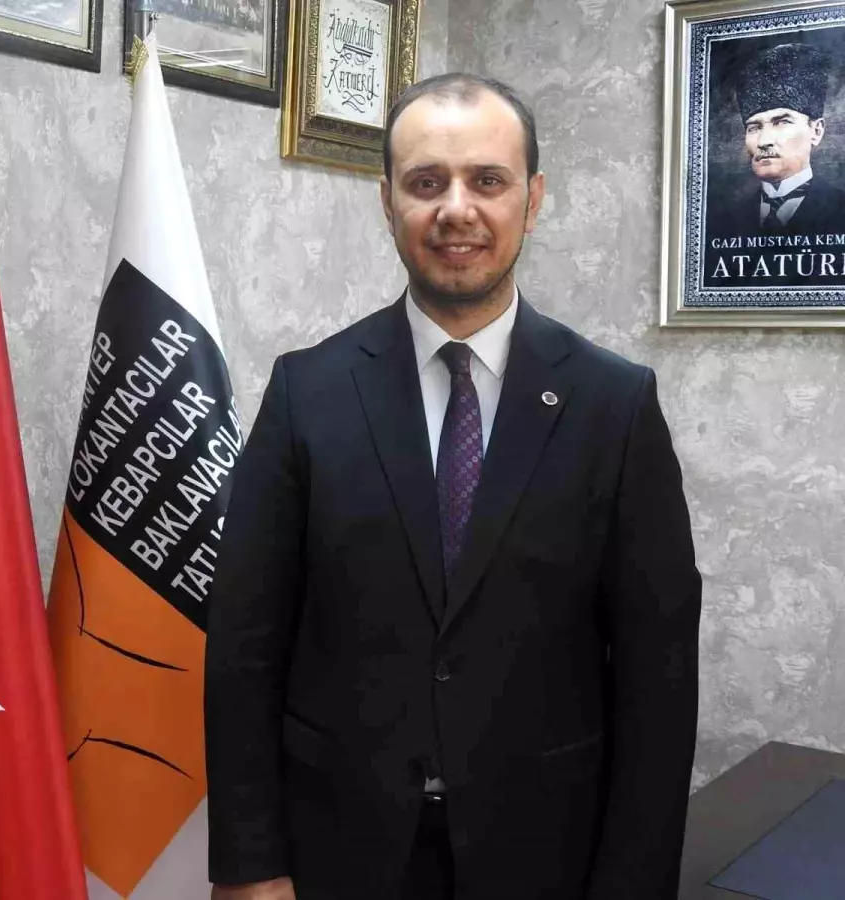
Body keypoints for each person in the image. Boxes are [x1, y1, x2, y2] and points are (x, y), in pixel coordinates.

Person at [204, 73, 702, 900]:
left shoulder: (614, 407)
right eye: (427, 182)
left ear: (532, 201)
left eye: (488, 180)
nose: (456, 209)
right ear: (388, 201)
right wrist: (250, 866)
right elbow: (244, 646)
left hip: (547, 858)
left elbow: (660, 677)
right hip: (337, 854)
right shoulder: (307, 393)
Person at [710, 42, 845, 239]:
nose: (764, 141)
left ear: (816, 131)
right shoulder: (724, 220)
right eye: (754, 127)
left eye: (782, 122)